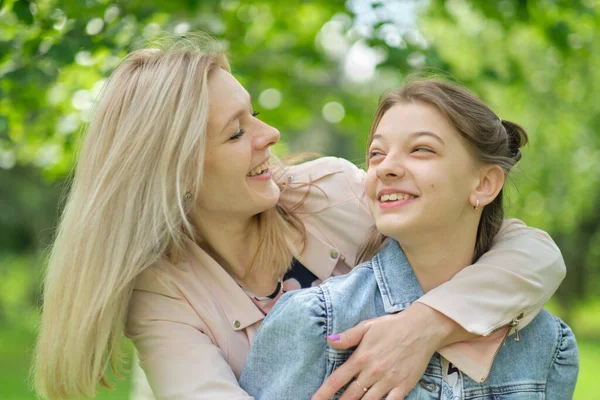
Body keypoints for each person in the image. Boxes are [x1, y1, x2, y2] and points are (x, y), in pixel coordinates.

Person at [32, 34, 567, 400]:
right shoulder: (162, 295)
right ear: (177, 173)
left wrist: (424, 327)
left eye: (255, 114)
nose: (270, 137)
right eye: (237, 132)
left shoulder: (326, 191)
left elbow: (527, 252)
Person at [240, 79, 579, 400]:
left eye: (421, 149)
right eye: (376, 154)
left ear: (485, 184)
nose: (386, 167)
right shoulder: (314, 323)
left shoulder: (548, 345)